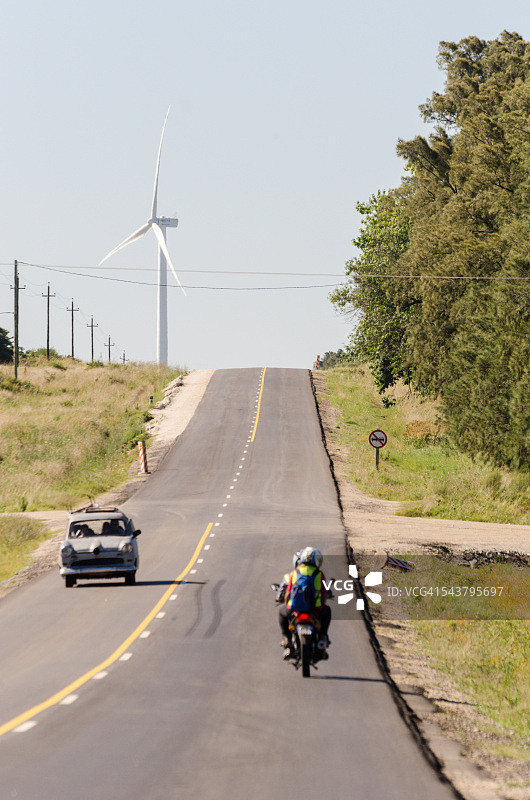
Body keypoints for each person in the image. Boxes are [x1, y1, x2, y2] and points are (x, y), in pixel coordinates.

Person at [278, 547, 331, 660]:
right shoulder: (319, 574)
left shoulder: (294, 573)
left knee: (281, 612)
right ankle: (322, 637)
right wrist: (320, 604)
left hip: (296, 609)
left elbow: (288, 593)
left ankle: (286, 638)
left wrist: (287, 603)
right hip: (315, 609)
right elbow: (324, 594)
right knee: (327, 611)